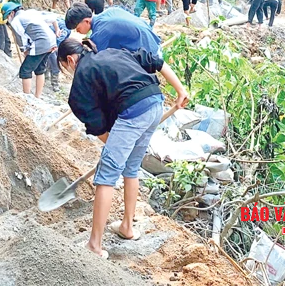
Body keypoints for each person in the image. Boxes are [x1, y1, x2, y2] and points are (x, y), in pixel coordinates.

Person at [58, 38, 188, 258]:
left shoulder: (80, 82)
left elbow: (98, 128)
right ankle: (127, 226)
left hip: (134, 111)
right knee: (131, 167)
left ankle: (94, 245)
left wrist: (115, 149)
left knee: (106, 174)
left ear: (70, 60)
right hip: (155, 102)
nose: (67, 72)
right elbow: (155, 61)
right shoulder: (113, 52)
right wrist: (180, 90)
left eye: (63, 67)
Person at [3, 2, 60, 98]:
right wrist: (57, 29)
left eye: (7, 16)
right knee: (40, 69)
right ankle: (37, 97)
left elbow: (21, 38)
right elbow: (52, 18)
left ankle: (27, 98)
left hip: (41, 43)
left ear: (12, 13)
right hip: (51, 40)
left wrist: (24, 50)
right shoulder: (31, 12)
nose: (8, 19)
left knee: (25, 70)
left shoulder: (16, 20)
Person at [65, 3, 162, 57]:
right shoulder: (110, 11)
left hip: (150, 55)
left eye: (77, 28)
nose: (77, 32)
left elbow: (98, 58)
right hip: (153, 42)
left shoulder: (100, 32)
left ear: (86, 21)